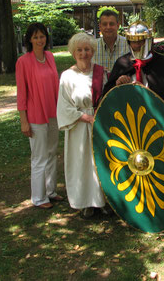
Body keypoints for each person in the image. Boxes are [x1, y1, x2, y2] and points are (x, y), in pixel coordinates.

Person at [103, 21, 164, 154]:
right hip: (130, 126)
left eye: (141, 41)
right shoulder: (122, 63)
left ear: (148, 41)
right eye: (133, 42)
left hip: (157, 123)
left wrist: (145, 92)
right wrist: (118, 85)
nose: (137, 45)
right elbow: (108, 100)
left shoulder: (162, 64)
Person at [57, 33, 107, 218]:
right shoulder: (67, 76)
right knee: (82, 163)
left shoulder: (101, 72)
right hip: (78, 125)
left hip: (99, 123)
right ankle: (86, 202)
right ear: (73, 52)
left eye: (87, 49)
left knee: (101, 162)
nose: (83, 53)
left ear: (93, 51)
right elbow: (63, 106)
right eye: (79, 50)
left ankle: (103, 200)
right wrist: (83, 117)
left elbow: (107, 97)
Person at [16, 22, 63, 209]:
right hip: (35, 115)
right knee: (39, 157)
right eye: (35, 37)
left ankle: (50, 191)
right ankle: (38, 197)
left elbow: (56, 85)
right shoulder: (23, 62)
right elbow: (21, 93)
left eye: (42, 36)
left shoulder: (50, 57)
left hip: (52, 112)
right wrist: (23, 121)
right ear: (29, 39)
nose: (39, 40)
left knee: (52, 153)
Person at [92, 9, 130, 76]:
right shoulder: (92, 47)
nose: (108, 27)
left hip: (123, 85)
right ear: (100, 26)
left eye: (111, 24)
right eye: (104, 24)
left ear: (118, 26)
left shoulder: (128, 45)